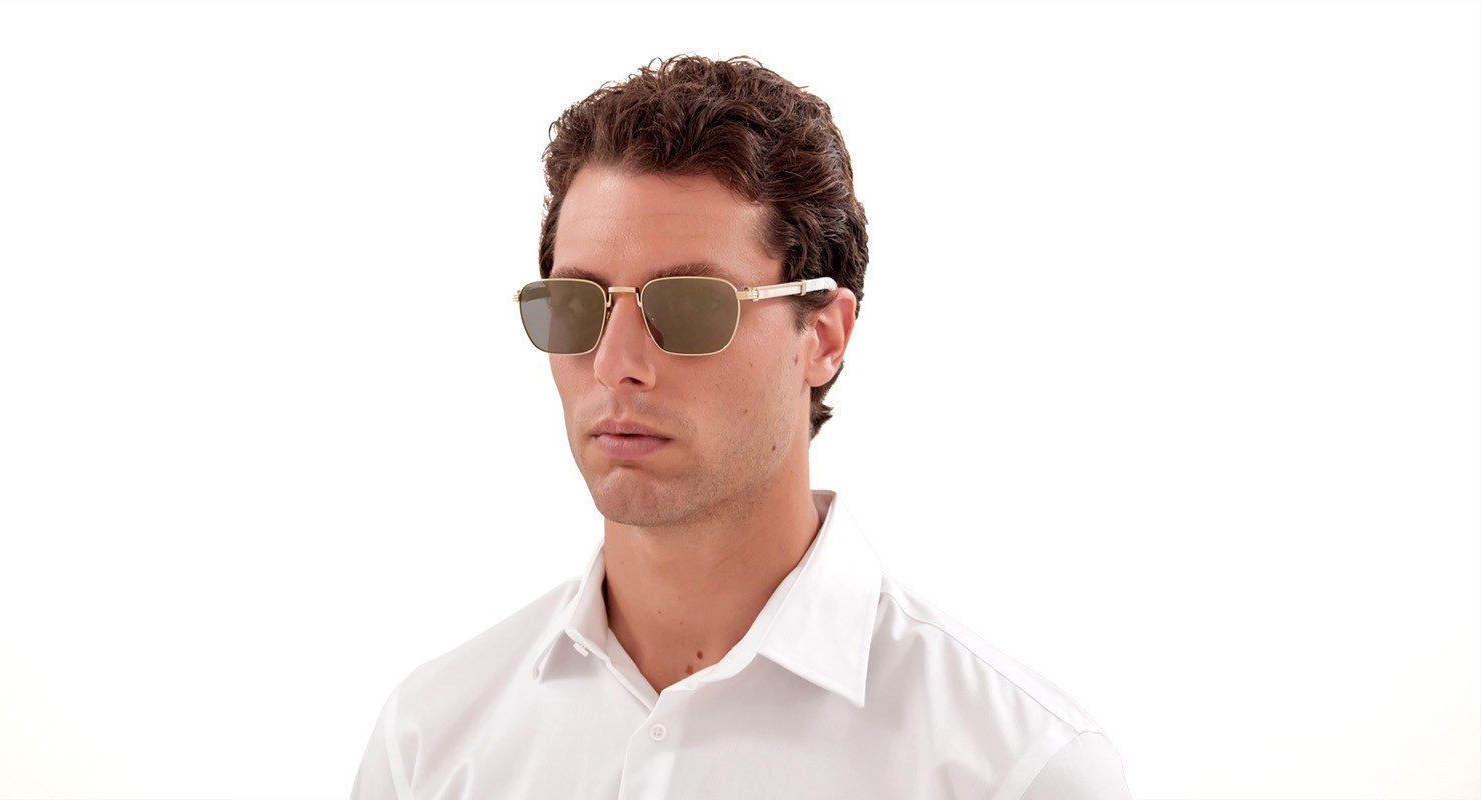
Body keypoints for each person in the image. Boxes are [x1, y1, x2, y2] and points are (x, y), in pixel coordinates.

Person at [351, 54, 1131, 799]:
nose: (616, 363)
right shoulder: (430, 745)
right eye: (577, 306)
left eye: (690, 306)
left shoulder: (1014, 772)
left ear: (823, 337)